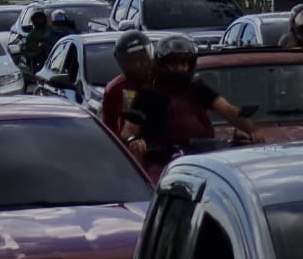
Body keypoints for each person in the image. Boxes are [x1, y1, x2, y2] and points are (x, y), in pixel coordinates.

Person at [121, 34, 264, 165]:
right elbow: (128, 130)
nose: (180, 68)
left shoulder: (197, 88)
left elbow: (229, 110)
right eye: (174, 63)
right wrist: (135, 141)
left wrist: (253, 131)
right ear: (161, 64)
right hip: (163, 164)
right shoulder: (148, 94)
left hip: (202, 159)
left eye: (184, 63)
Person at [102, 31, 153, 138]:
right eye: (132, 61)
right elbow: (111, 130)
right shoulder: (117, 89)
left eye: (142, 59)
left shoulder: (160, 81)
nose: (139, 65)